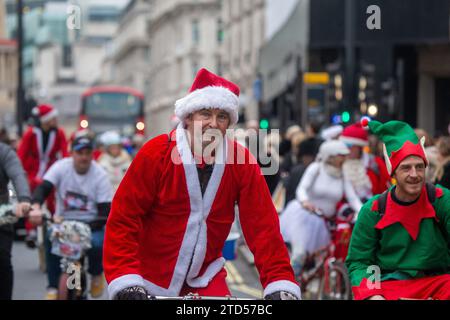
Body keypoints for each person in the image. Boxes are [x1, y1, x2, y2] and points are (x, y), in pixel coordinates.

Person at [103, 68, 301, 300]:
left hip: (205, 279)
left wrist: (279, 283)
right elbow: (124, 218)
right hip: (147, 280)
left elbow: (263, 227)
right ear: (188, 117)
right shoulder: (155, 154)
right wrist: (126, 279)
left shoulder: (243, 162)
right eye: (205, 114)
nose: (213, 124)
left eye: (222, 117)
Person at [346, 119, 450, 300]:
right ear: (393, 173)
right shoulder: (373, 210)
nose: (414, 174)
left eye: (419, 167)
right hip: (389, 286)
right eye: (406, 168)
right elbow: (361, 261)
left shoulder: (442, 199)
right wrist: (373, 294)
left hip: (438, 284)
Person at [29, 136, 113, 300]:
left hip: (91, 224)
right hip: (63, 222)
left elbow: (105, 210)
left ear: (92, 154)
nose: (83, 157)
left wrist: (92, 224)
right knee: (50, 237)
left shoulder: (100, 174)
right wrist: (36, 207)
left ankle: (96, 273)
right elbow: (43, 188)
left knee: (98, 244)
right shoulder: (60, 167)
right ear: (71, 153)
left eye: (87, 152)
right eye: (79, 152)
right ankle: (53, 286)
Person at [280, 140, 362, 275]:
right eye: (341, 155)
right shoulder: (316, 168)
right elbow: (301, 189)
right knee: (299, 255)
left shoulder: (342, 174)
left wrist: (362, 211)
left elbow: (352, 198)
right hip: (305, 217)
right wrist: (305, 201)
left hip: (325, 222)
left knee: (323, 258)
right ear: (331, 155)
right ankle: (292, 284)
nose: (345, 158)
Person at [17, 104, 68, 248]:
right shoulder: (31, 133)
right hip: (33, 171)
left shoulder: (59, 133)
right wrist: (21, 175)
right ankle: (31, 230)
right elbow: (21, 154)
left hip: (52, 170)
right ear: (46, 119)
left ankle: (55, 223)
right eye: (53, 117)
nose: (56, 120)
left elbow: (65, 154)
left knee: (54, 198)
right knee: (32, 199)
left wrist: (65, 170)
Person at [0, 141, 31, 300]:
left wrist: (24, 199)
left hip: (1, 216)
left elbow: (18, 175)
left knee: (3, 262)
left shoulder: (4, 152)